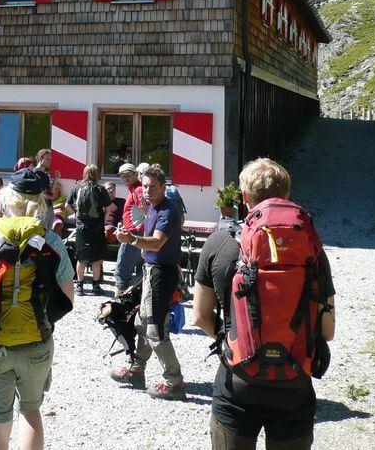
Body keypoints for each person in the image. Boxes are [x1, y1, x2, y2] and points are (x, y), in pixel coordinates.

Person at [192, 157, 336, 450]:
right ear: (286, 197)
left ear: (245, 199)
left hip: (238, 381)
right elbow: (328, 329)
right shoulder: (311, 251)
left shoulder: (220, 242)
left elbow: (200, 317)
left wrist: (234, 337)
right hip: (294, 381)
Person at [0, 168, 75, 450]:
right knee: (30, 413)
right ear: (40, 202)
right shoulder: (51, 241)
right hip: (36, 342)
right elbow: (67, 298)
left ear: (6, 200)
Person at [112, 165, 186, 400]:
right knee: (142, 322)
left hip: (160, 275)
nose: (147, 190)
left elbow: (156, 243)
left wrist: (131, 239)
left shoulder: (167, 211)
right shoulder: (154, 208)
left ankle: (174, 380)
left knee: (155, 328)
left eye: (153, 186)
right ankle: (137, 369)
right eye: (144, 186)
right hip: (151, 272)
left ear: (164, 187)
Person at [71, 164, 111, 296]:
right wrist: (103, 220)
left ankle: (80, 287)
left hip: (81, 227)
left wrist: (77, 214)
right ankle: (95, 286)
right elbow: (109, 209)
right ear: (96, 174)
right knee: (96, 258)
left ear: (84, 173)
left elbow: (67, 205)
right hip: (97, 228)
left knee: (81, 258)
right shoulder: (100, 189)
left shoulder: (76, 187)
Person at [115, 163, 148, 296]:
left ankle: (116, 308)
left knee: (121, 272)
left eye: (128, 174)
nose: (125, 178)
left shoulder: (138, 190)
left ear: (136, 174)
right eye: (122, 176)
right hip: (135, 234)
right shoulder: (135, 189)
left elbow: (147, 213)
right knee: (140, 274)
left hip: (133, 236)